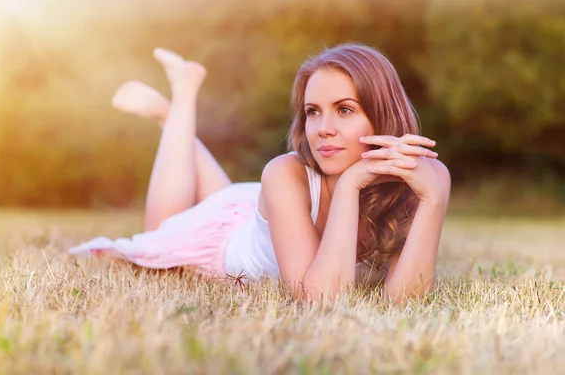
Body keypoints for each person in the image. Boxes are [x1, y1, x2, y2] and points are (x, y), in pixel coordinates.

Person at [69, 43, 451, 303]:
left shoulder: (427, 177)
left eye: (345, 109)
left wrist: (432, 199)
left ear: (383, 113)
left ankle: (175, 120)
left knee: (225, 196)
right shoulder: (285, 173)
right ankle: (175, 107)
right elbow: (321, 299)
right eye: (313, 111)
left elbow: (406, 299)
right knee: (159, 229)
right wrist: (351, 184)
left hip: (254, 207)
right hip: (229, 240)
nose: (323, 128)